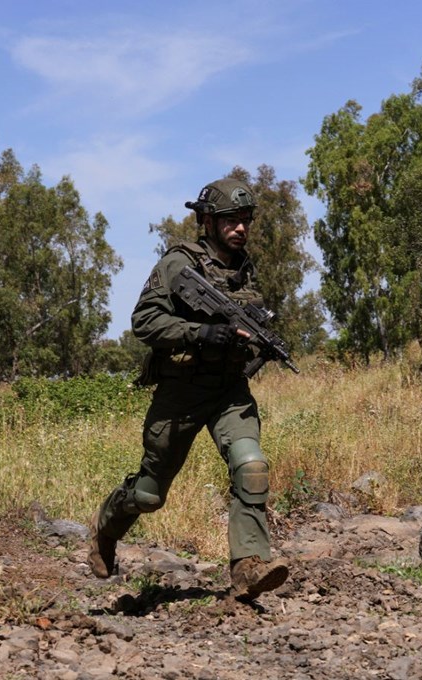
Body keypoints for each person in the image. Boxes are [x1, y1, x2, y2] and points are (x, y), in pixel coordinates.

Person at [90, 178, 290, 600]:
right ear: (207, 221)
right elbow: (144, 321)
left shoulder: (242, 267)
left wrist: (254, 345)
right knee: (147, 495)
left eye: (245, 221)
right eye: (230, 220)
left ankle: (248, 568)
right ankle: (106, 528)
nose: (240, 228)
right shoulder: (179, 264)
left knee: (251, 467)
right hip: (181, 391)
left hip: (229, 390)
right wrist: (200, 333)